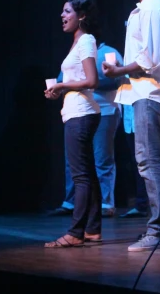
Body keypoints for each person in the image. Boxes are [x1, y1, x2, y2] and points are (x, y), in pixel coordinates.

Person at [104, 0, 160, 252]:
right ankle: (159, 228)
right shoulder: (143, 10)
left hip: (153, 93)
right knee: (149, 161)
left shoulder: (153, 9)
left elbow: (153, 58)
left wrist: (119, 69)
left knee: (152, 161)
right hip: (144, 93)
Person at [43, 0, 102, 248]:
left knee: (80, 176)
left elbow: (92, 80)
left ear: (82, 16)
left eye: (67, 11)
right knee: (87, 173)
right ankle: (92, 229)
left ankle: (75, 232)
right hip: (78, 111)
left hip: (81, 113)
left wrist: (62, 85)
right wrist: (58, 90)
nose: (62, 16)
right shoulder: (77, 42)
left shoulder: (86, 40)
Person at [53, 42, 124, 218]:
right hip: (77, 110)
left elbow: (117, 79)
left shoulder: (108, 52)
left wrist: (88, 80)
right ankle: (71, 201)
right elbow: (62, 78)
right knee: (74, 159)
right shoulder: (74, 51)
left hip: (105, 110)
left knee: (102, 158)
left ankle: (106, 203)